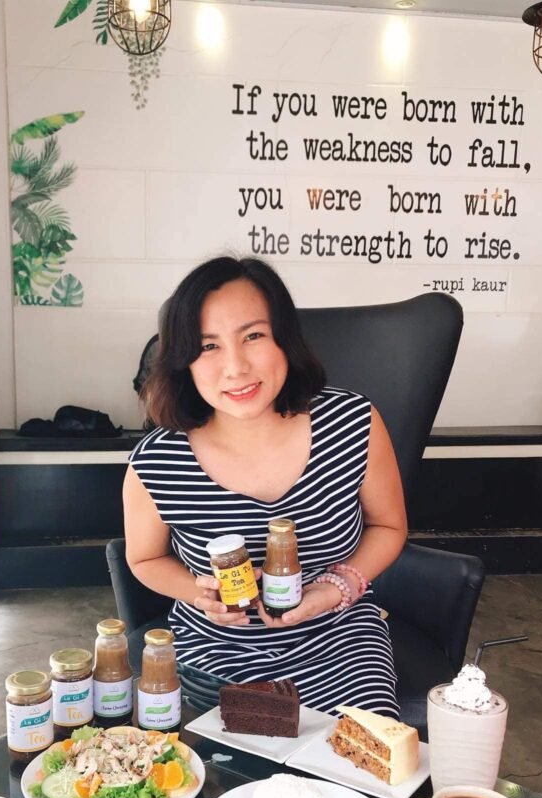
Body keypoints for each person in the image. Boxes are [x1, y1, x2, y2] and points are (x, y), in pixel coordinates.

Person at [122, 256, 407, 717]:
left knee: (359, 775)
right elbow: (143, 558)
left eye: (253, 336)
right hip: (214, 653)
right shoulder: (156, 460)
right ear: (184, 361)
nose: (235, 367)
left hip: (340, 641)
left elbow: (389, 527)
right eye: (208, 346)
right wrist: (199, 593)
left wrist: (336, 587)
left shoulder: (353, 423)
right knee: (214, 779)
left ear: (284, 340)